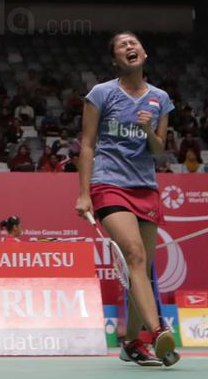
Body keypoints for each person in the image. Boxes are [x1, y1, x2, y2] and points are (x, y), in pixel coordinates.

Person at [75, 31, 179, 367]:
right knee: (133, 253)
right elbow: (87, 144)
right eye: (122, 46)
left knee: (142, 268)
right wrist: (84, 193)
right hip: (110, 183)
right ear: (115, 60)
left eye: (134, 43)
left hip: (145, 186)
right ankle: (158, 331)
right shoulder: (101, 94)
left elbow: (159, 150)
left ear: (144, 54)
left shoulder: (160, 98)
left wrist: (148, 130)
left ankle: (132, 342)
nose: (129, 47)